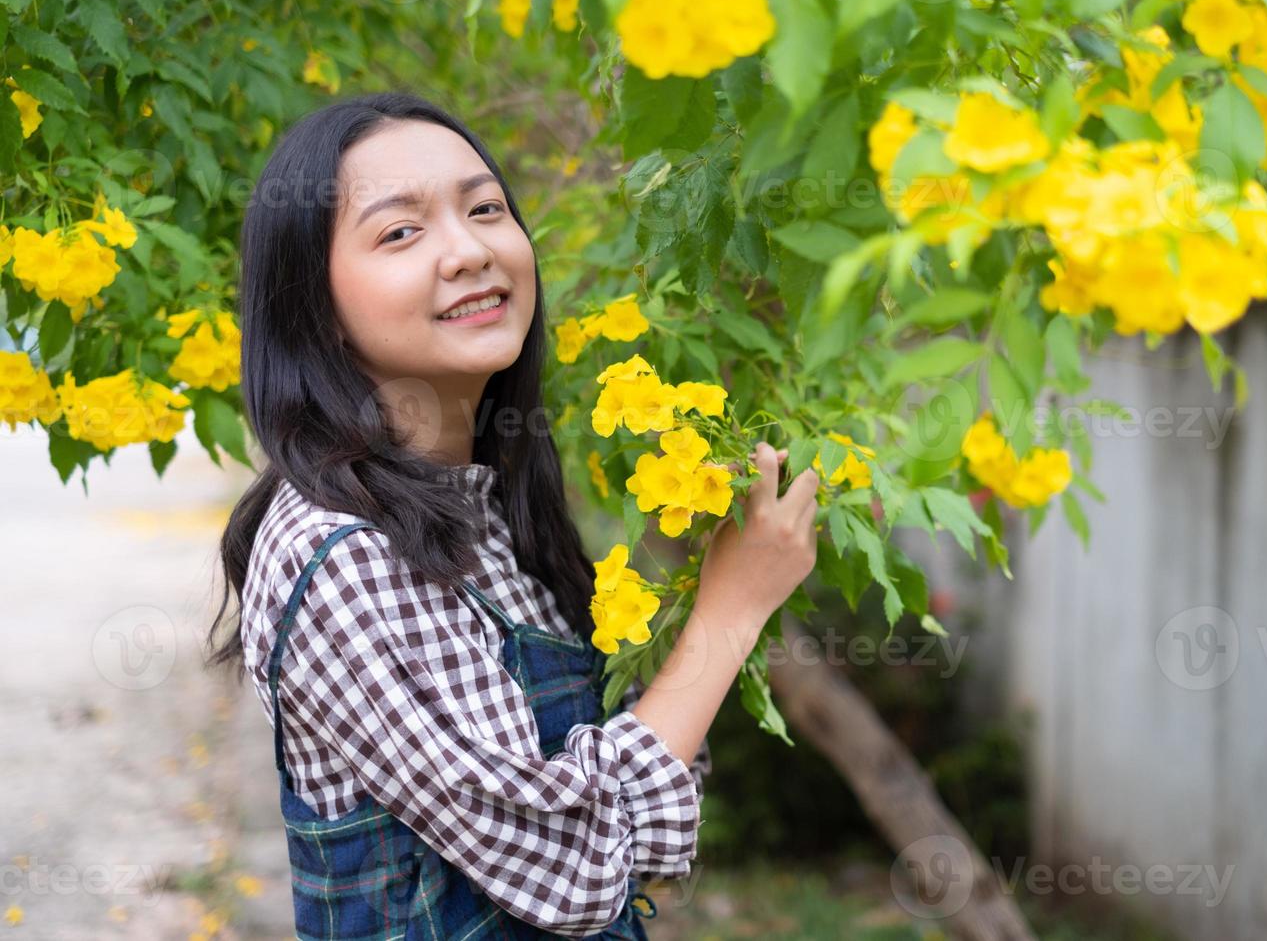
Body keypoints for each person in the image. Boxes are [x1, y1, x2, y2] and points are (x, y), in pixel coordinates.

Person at [202, 92, 819, 938]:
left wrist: (686, 559)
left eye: (485, 208)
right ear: (318, 312)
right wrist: (730, 611)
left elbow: (641, 799)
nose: (468, 250)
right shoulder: (339, 550)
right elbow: (572, 867)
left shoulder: (484, 505)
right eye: (400, 231)